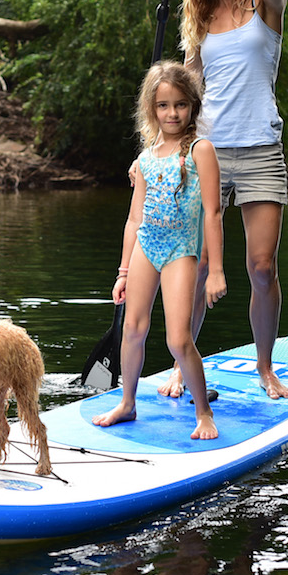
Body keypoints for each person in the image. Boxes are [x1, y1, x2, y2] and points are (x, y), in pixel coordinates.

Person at [156, 0, 288, 400]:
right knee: (191, 270)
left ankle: (265, 367)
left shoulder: (267, 5)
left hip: (260, 149)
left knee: (261, 268)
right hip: (208, 152)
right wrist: (165, 143)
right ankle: (180, 363)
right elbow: (190, 87)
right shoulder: (201, 17)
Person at [93, 62, 226, 440]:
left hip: (181, 251)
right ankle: (127, 402)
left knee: (177, 339)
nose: (172, 113)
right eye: (164, 105)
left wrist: (214, 270)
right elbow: (134, 220)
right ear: (152, 109)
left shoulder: (201, 150)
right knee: (133, 329)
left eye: (180, 105)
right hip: (146, 247)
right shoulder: (146, 158)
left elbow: (213, 213)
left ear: (193, 107)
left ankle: (203, 412)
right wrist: (123, 272)